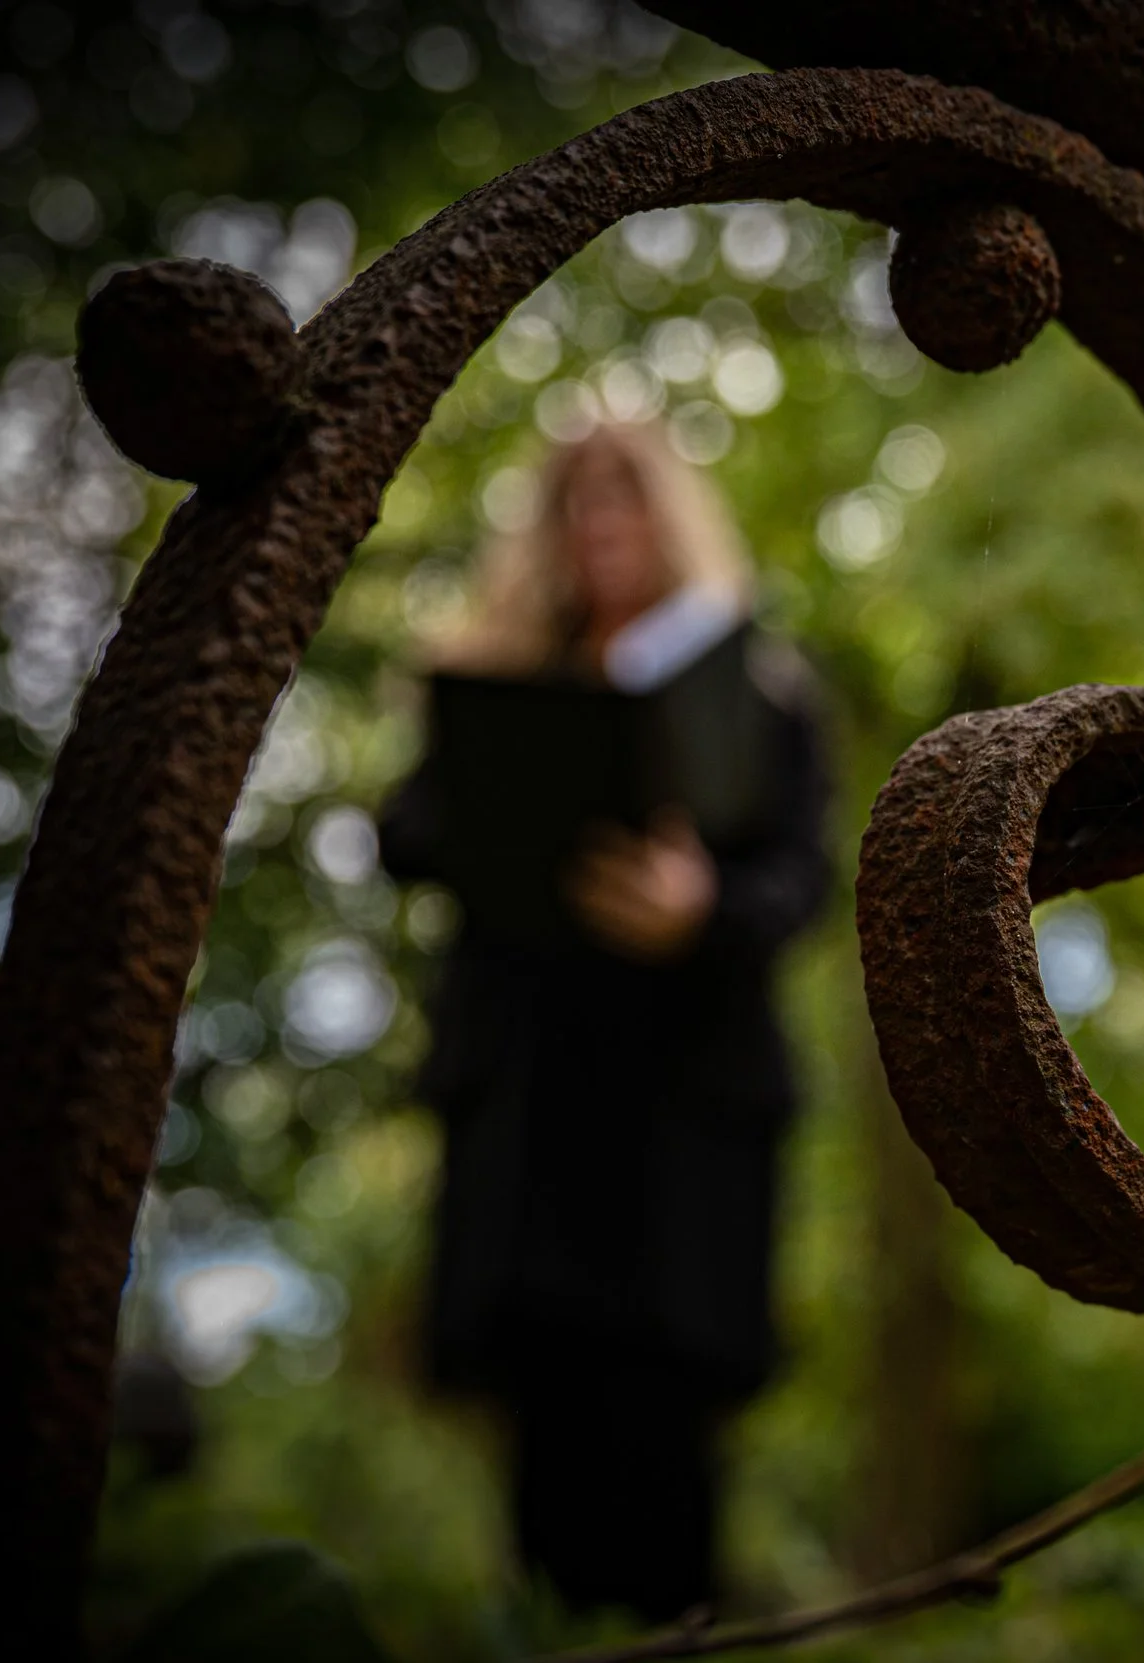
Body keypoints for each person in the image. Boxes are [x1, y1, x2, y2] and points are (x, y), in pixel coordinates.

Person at [379, 421, 829, 1622]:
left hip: (686, 1118)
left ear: (668, 522)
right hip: (533, 1113)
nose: (600, 530)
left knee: (670, 1447)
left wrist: (703, 907)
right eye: (577, 508)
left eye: (624, 506)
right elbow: (404, 834)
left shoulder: (764, 697)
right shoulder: (490, 675)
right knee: (545, 1437)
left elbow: (806, 881)